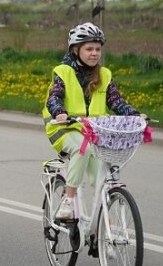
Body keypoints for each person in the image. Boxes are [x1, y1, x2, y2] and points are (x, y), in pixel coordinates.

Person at [43, 22, 143, 220]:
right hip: (64, 127)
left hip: (93, 130)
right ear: (75, 50)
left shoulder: (104, 75)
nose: (94, 53)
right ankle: (68, 200)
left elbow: (115, 100)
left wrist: (133, 114)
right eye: (89, 49)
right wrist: (59, 112)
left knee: (101, 171)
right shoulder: (63, 71)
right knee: (84, 148)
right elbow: (54, 97)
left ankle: (102, 220)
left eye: (98, 49)